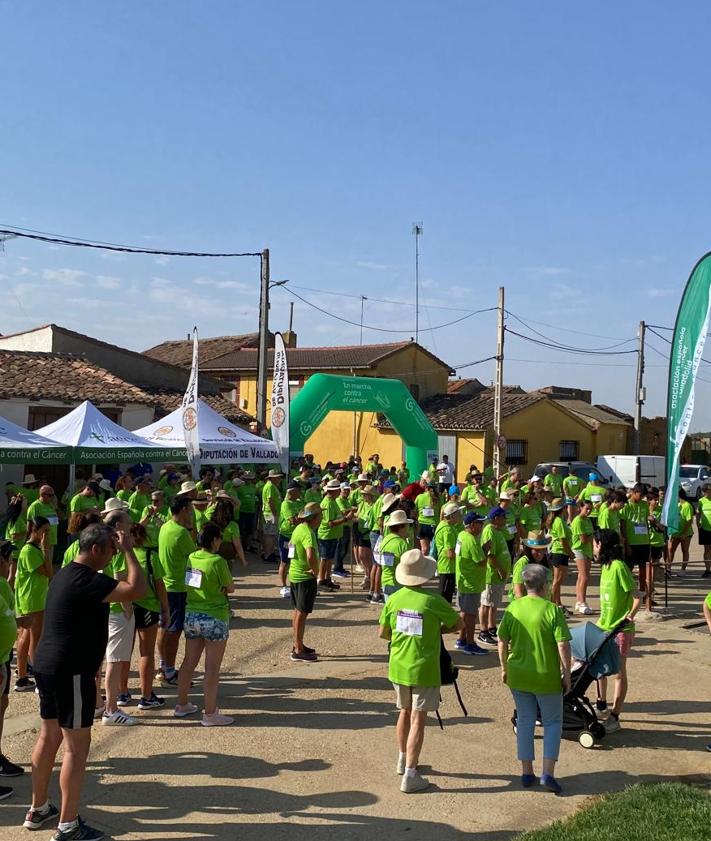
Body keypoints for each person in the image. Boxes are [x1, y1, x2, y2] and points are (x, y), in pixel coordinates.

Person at [26, 523, 146, 840]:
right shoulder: (89, 580)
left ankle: (38, 808)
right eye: (110, 550)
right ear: (96, 550)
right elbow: (137, 590)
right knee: (76, 749)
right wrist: (131, 551)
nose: (112, 555)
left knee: (48, 737)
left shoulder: (66, 573)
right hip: (71, 670)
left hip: (48, 665)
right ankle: (68, 825)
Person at [379, 548, 461, 793]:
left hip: (398, 664)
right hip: (424, 666)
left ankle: (403, 758)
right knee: (418, 718)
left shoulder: (394, 599)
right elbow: (457, 624)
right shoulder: (434, 601)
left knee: (403, 712)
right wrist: (435, 630)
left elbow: (383, 633)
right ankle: (411, 774)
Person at [497, 564, 572, 795]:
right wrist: (567, 672)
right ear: (544, 585)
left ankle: (526, 771)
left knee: (525, 721)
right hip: (545, 675)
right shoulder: (552, 610)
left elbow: (502, 641)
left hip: (519, 674)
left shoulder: (513, 607)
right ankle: (547, 772)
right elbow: (562, 643)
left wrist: (504, 667)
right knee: (551, 722)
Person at [175, 522, 235, 726]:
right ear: (214, 540)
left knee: (188, 662)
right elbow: (230, 587)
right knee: (211, 668)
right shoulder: (218, 561)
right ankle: (209, 713)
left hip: (193, 614)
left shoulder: (192, 557)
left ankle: (182, 704)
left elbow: (190, 582)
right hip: (215, 616)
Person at [594, 528, 642, 733]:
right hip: (603, 627)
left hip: (620, 630)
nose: (593, 547)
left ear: (602, 545)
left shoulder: (619, 567)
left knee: (619, 673)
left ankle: (615, 717)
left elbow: (637, 596)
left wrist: (629, 616)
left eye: (596, 543)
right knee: (597, 668)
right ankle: (601, 703)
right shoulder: (605, 567)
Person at [101, 502, 140, 726]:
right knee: (114, 660)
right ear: (117, 526)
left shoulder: (101, 543)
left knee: (108, 659)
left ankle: (105, 705)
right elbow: (120, 577)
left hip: (107, 609)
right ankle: (111, 709)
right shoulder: (116, 546)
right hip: (117, 610)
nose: (131, 525)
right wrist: (127, 605)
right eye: (127, 522)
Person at [157, 496, 197, 685]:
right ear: (182, 510)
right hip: (177, 587)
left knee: (164, 627)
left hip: (166, 584)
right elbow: (194, 559)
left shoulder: (165, 526)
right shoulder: (181, 533)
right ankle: (170, 672)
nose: (191, 512)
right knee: (174, 630)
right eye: (189, 509)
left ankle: (163, 666)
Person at [130, 523, 169, 711]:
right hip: (147, 606)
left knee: (122, 655)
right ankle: (146, 696)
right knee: (146, 652)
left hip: (126, 607)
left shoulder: (120, 556)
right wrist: (166, 608)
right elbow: (159, 584)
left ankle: (122, 693)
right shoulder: (150, 556)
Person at [14, 516, 53, 692]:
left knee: (26, 636)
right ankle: (39, 678)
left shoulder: (32, 549)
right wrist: (46, 549)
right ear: (34, 531)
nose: (47, 535)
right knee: (34, 639)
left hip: (31, 598)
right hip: (32, 599)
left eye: (48, 531)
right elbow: (48, 572)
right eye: (44, 531)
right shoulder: (30, 550)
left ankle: (22, 677)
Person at [0, 540, 22, 797]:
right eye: (6, 558)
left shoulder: (3, 585)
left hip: (4, 658)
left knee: (2, 705)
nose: (9, 563)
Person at [288, 503, 322, 662]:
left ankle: (298, 644)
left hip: (294, 574)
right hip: (304, 577)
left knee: (297, 611)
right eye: (320, 515)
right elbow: (310, 555)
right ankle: (298, 649)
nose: (321, 518)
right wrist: (316, 570)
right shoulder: (308, 533)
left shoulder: (299, 528)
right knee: (302, 613)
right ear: (314, 518)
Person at [454, 512, 489, 655]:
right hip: (471, 583)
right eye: (480, 523)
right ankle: (470, 643)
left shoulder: (462, 535)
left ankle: (462, 639)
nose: (482, 526)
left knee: (465, 612)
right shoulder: (472, 541)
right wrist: (486, 549)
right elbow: (481, 562)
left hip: (464, 581)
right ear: (472, 525)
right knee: (470, 615)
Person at [479, 507, 511, 647]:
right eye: (503, 517)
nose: (506, 519)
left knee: (493, 604)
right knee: (486, 604)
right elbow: (490, 555)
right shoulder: (489, 531)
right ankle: (483, 631)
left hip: (499, 575)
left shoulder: (498, 530)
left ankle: (492, 628)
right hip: (492, 575)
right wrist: (499, 570)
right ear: (496, 518)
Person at [317, 479, 352, 591]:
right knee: (325, 558)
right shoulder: (327, 503)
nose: (339, 492)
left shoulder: (333, 501)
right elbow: (330, 523)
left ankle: (327, 579)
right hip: (326, 535)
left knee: (330, 558)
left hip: (333, 535)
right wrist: (346, 519)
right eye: (338, 490)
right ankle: (322, 580)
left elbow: (337, 515)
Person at [620, 483, 651, 594]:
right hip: (631, 542)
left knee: (643, 568)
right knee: (629, 568)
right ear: (634, 492)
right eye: (640, 495)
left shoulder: (644, 504)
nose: (642, 497)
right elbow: (623, 525)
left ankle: (642, 591)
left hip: (644, 541)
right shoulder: (626, 506)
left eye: (643, 496)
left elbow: (646, 522)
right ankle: (627, 592)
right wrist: (626, 543)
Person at [380, 509, 413, 600]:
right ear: (401, 527)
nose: (408, 528)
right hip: (399, 583)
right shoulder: (402, 544)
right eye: (407, 525)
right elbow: (408, 566)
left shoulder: (385, 540)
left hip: (386, 581)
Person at [546, 500, 573, 612]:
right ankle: (552, 604)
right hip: (560, 552)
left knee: (558, 580)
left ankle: (558, 603)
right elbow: (563, 540)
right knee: (557, 581)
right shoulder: (559, 522)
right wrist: (570, 552)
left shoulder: (556, 520)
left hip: (558, 552)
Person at [278, 482, 303, 598]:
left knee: (294, 561)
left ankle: (295, 585)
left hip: (296, 537)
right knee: (285, 561)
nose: (300, 493)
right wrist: (304, 517)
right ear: (292, 492)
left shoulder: (299, 502)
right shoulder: (285, 504)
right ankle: (283, 586)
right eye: (298, 490)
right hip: (287, 537)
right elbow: (293, 520)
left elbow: (307, 513)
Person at [433, 502, 461, 603]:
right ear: (452, 516)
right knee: (445, 597)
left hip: (446, 566)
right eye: (458, 514)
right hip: (448, 567)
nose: (460, 516)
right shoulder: (447, 530)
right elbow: (450, 553)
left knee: (445, 595)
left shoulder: (443, 524)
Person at [511, 532, 551, 600]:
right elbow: (518, 592)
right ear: (529, 549)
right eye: (537, 550)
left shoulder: (543, 562)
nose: (540, 553)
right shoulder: (522, 563)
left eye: (543, 549)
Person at [571, 499, 594, 615]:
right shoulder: (578, 521)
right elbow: (583, 540)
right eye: (587, 508)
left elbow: (589, 538)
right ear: (580, 508)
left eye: (590, 509)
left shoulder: (588, 521)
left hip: (588, 551)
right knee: (584, 577)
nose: (589, 511)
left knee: (581, 576)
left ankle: (578, 601)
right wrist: (591, 537)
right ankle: (582, 602)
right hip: (579, 549)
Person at [27, 484, 60, 562]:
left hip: (52, 540)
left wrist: (56, 507)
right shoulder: (35, 506)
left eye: (53, 495)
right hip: (41, 541)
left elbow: (60, 518)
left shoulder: (52, 505)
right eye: (50, 495)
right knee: (42, 565)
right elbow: (30, 525)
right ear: (42, 494)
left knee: (49, 563)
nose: (52, 497)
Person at [669, 488, 694, 577]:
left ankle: (683, 570)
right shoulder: (677, 505)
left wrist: (683, 533)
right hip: (676, 532)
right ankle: (668, 568)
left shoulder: (687, 505)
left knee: (684, 550)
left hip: (686, 533)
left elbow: (689, 521)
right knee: (671, 549)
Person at [261, 469, 284, 564]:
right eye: (278, 477)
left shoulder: (271, 485)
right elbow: (270, 501)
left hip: (270, 513)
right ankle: (268, 554)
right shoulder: (270, 486)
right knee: (270, 535)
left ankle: (270, 552)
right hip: (270, 514)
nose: (280, 479)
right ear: (273, 478)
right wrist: (274, 513)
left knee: (271, 534)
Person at [414, 482, 441, 555]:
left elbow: (414, 510)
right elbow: (440, 511)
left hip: (422, 525)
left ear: (426, 488)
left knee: (424, 549)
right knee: (435, 550)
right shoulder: (438, 498)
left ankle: (423, 565)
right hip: (434, 525)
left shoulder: (419, 497)